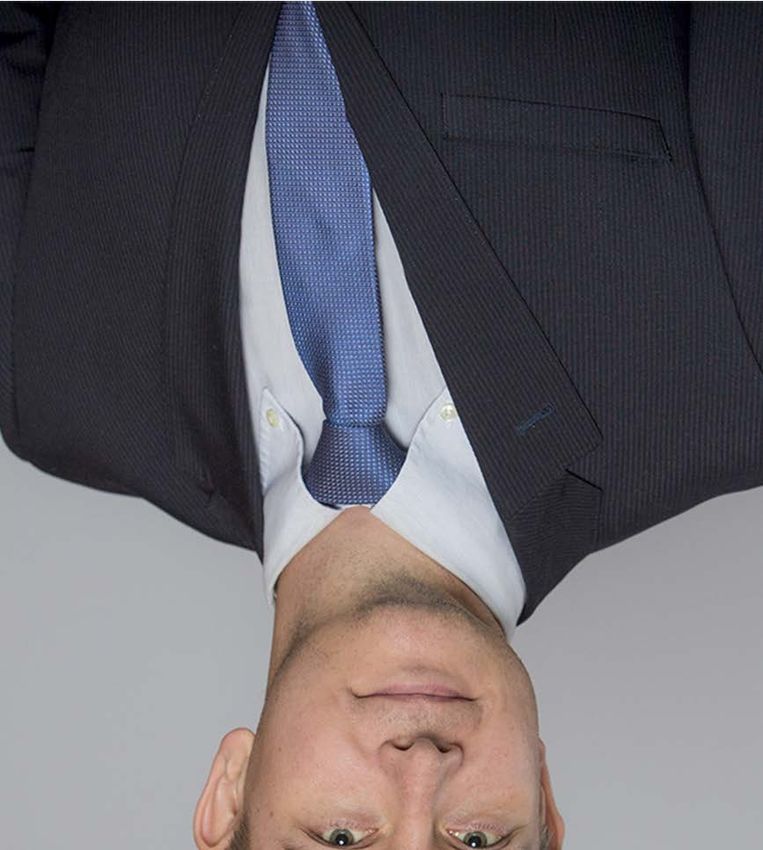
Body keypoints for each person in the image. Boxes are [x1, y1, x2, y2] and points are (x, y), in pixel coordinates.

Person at [3, 4, 762, 849]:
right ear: (543, 805)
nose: (422, 766)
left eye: (340, 840)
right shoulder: (738, 366)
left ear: (229, 797)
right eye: (475, 844)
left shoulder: (45, 379)